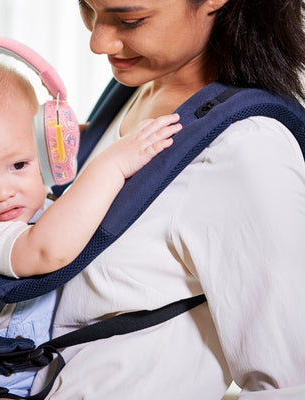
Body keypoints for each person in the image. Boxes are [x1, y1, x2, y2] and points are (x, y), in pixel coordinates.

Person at [22, 0, 305, 399]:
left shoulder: (247, 149)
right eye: (87, 9)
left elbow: (291, 383)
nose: (98, 43)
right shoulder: (129, 94)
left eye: (129, 19)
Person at [0, 55, 181, 398]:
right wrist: (114, 163)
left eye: (18, 164)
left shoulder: (41, 205)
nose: (1, 192)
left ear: (47, 150)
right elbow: (46, 251)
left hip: (37, 376)